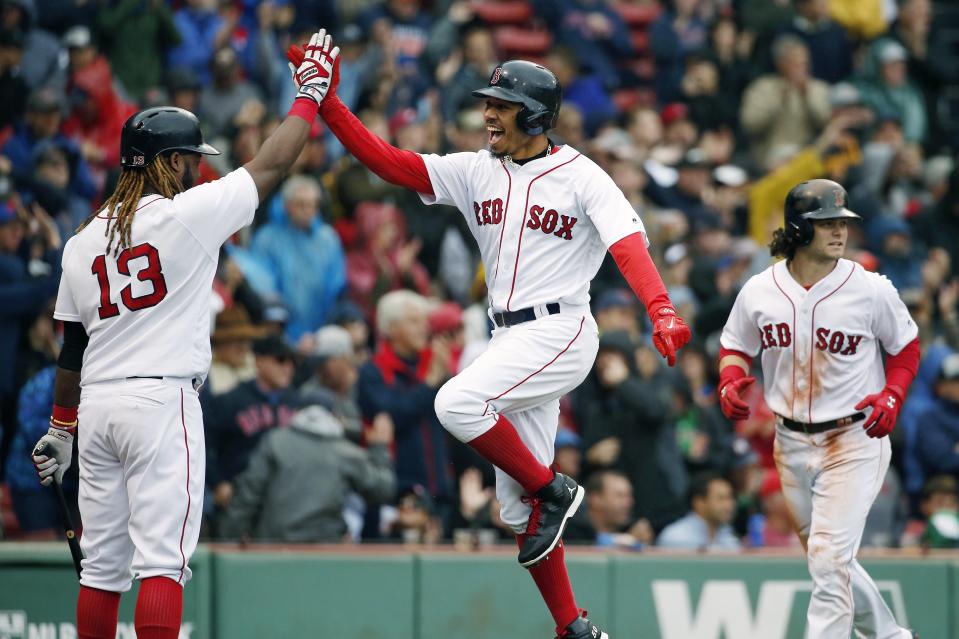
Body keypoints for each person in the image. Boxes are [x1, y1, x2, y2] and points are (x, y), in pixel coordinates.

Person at [289, 43, 691, 639]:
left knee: (455, 403)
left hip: (561, 328)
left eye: (503, 104)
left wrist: (660, 308)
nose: (489, 114)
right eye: (489, 102)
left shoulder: (582, 175)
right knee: (517, 513)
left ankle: (555, 489)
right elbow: (390, 163)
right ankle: (572, 627)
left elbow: (626, 244)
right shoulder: (478, 168)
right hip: (508, 335)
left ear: (535, 116)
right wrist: (329, 106)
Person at [29, 29, 340, 639]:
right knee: (161, 566)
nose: (196, 169)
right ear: (169, 162)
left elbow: (72, 347)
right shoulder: (185, 216)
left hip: (95, 409)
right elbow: (275, 162)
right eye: (191, 159)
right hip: (160, 402)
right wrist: (308, 96)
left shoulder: (80, 242)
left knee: (100, 573)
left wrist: (60, 429)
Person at [717, 179, 921, 639]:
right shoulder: (760, 289)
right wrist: (729, 378)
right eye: (826, 222)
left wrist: (893, 394)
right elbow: (734, 344)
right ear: (798, 227)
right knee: (829, 562)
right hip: (789, 442)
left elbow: (906, 348)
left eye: (842, 223)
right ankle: (891, 637)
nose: (838, 231)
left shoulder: (870, 289)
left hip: (853, 438)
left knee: (829, 560)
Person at [656, 473, 740, 551]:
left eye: (730, 498)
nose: (729, 505)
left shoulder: (730, 539)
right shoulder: (675, 538)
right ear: (699, 502)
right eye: (721, 498)